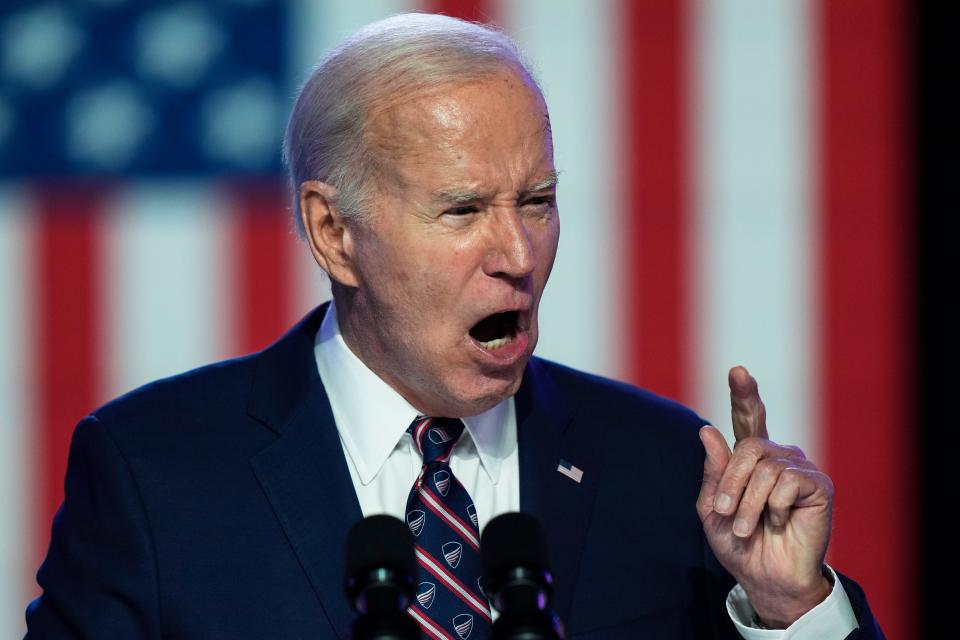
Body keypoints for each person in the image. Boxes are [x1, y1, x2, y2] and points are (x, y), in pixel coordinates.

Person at [25, 13, 884, 640]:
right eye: (464, 208)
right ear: (335, 232)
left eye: (538, 202)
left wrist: (790, 610)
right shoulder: (154, 471)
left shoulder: (670, 474)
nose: (518, 251)